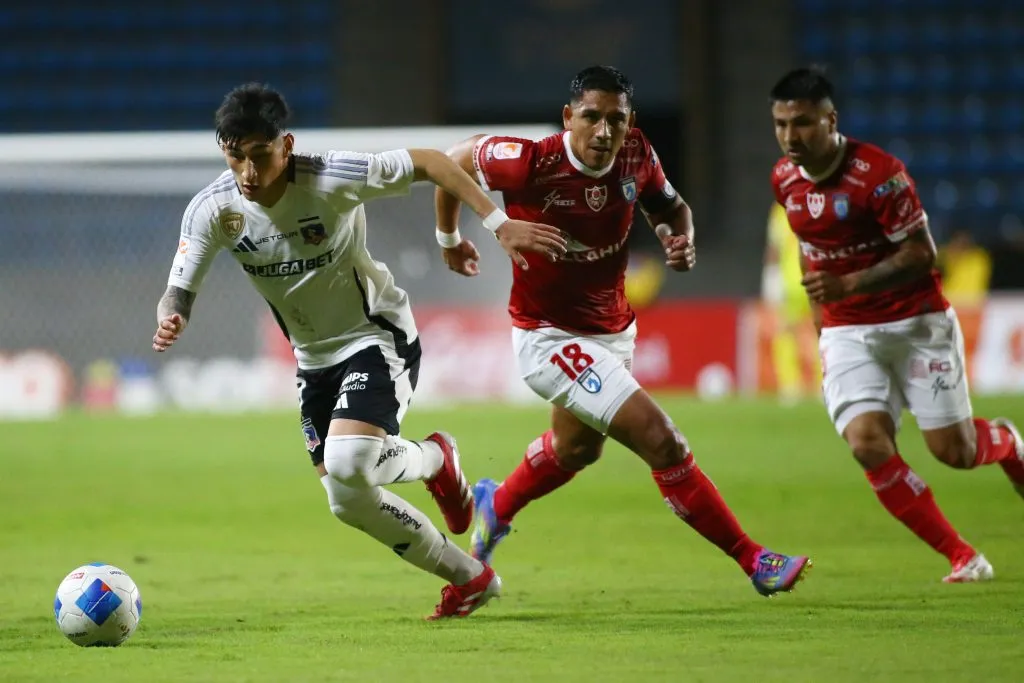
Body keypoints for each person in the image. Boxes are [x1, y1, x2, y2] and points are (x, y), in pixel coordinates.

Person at [151, 83, 567, 619]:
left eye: (259, 155)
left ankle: (435, 459)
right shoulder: (213, 209)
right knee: (346, 500)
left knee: (348, 460)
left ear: (286, 146)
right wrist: (173, 315)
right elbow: (178, 288)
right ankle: (470, 577)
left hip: (376, 336)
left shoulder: (331, 176)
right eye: (235, 156)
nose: (248, 172)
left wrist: (494, 224)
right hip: (312, 360)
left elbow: (433, 162)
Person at [434, 65, 811, 597]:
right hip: (548, 337)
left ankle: (496, 504)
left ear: (630, 122)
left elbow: (671, 208)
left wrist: (678, 237)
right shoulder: (529, 162)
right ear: (569, 117)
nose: (604, 131)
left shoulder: (636, 153)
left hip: (612, 332)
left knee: (576, 450)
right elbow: (449, 163)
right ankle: (755, 560)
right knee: (662, 440)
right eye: (591, 117)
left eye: (616, 119)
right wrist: (452, 237)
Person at [769, 67, 1024, 583]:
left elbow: (921, 253)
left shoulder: (880, 175)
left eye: (803, 123)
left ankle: (1007, 442)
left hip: (915, 324)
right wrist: (822, 319)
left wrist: (848, 283)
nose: (791, 136)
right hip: (847, 331)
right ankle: (962, 555)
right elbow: (809, 244)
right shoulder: (784, 179)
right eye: (781, 124)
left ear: (831, 120)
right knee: (867, 443)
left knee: (955, 452)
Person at [762, 201, 821, 402]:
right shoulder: (781, 210)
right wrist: (772, 277)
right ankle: (792, 385)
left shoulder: (810, 203)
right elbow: (774, 247)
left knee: (816, 332)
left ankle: (818, 384)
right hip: (792, 282)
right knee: (789, 333)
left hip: (811, 279)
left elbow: (773, 248)